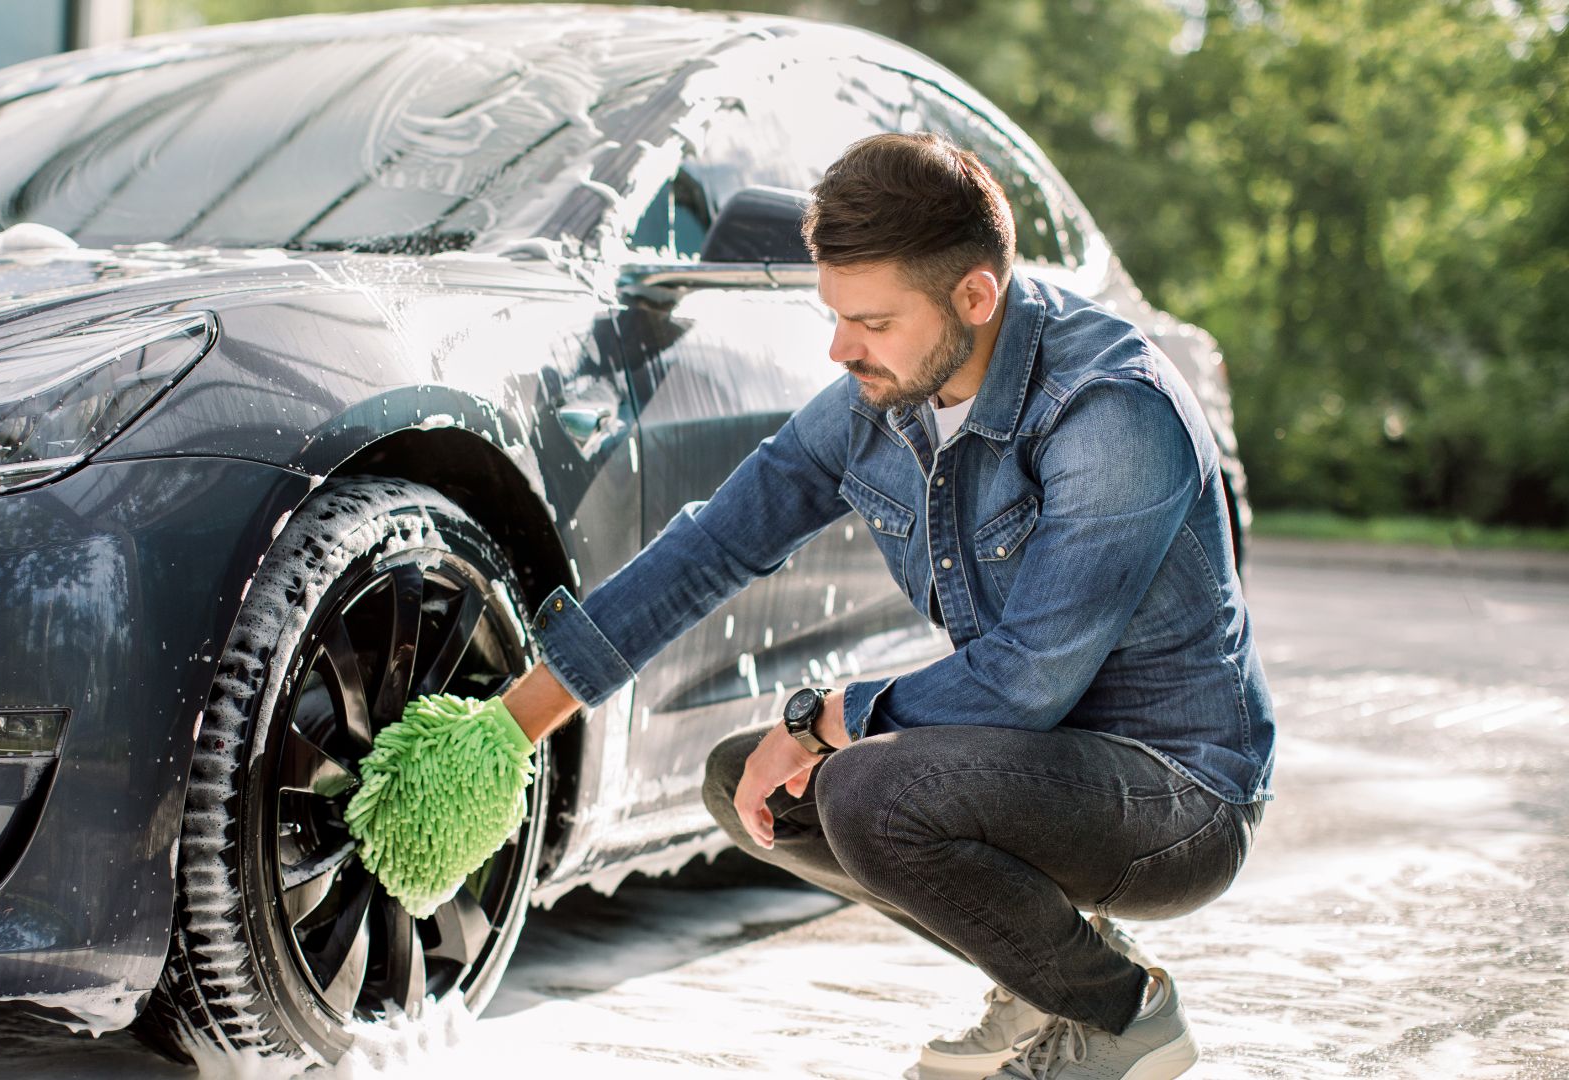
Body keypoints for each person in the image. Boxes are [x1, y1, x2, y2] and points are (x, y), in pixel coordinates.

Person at [497, 131, 1276, 1080]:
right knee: (749, 786)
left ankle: (1125, 1016)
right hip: (1031, 766)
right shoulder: (881, 402)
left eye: (869, 320)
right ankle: (1045, 984)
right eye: (835, 315)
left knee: (866, 788)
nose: (839, 347)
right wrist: (514, 725)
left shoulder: (1112, 408)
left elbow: (1028, 681)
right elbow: (714, 545)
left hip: (1178, 797)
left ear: (974, 296)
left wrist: (829, 719)